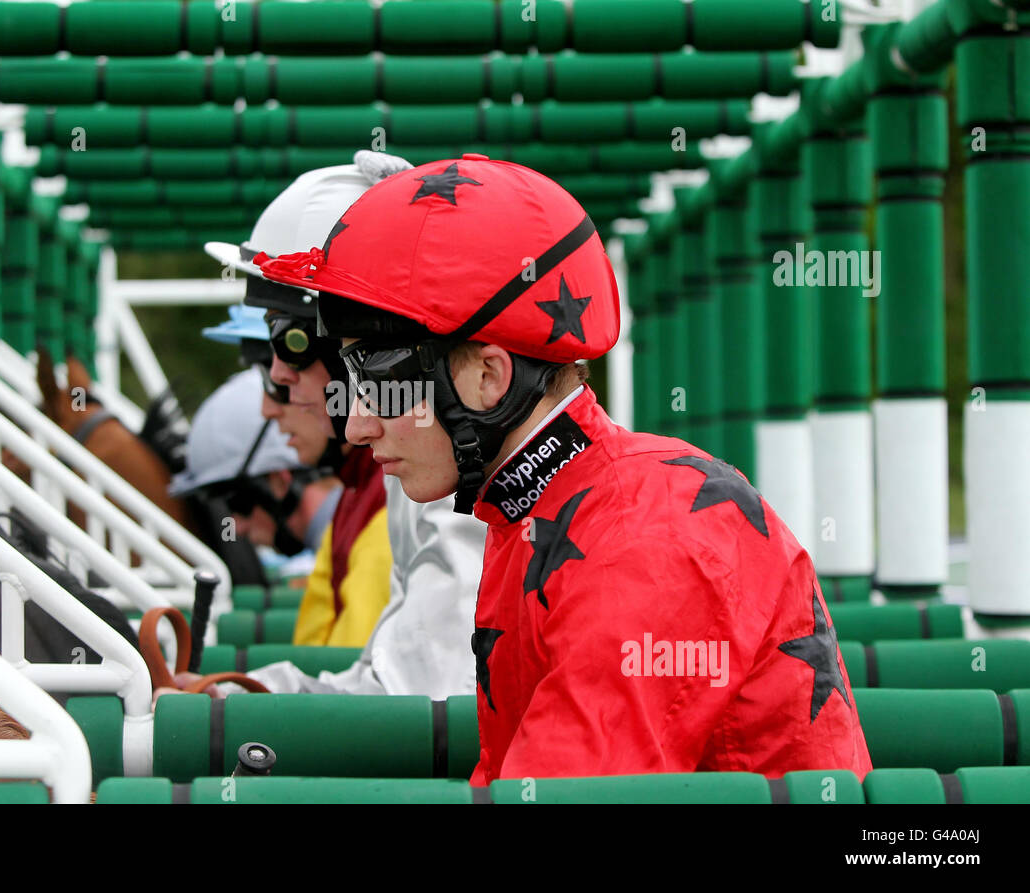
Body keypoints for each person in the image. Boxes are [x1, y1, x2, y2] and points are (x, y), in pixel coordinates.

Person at [257, 153, 873, 782]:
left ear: (488, 377)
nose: (358, 424)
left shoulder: (643, 539)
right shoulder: (532, 509)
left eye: (381, 384)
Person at [198, 152, 487, 695]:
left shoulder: (445, 480)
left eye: (288, 342)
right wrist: (230, 699)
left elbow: (422, 711)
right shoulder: (410, 483)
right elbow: (386, 684)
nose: (274, 388)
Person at [169, 367, 340, 561]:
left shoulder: (351, 545)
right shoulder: (344, 540)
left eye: (237, 502)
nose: (237, 527)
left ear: (280, 481)